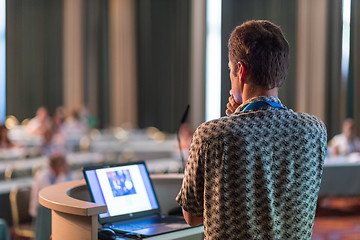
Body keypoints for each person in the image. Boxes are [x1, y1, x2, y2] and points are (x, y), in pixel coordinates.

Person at [176, 20, 327, 239]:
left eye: (230, 69)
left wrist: (237, 118)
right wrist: (241, 115)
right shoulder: (314, 131)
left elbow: (192, 216)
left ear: (240, 70)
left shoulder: (212, 135)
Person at [29, 152, 74, 217]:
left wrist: (67, 174)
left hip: (51, 209)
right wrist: (62, 175)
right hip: (41, 212)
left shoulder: (59, 173)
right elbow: (52, 196)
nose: (65, 166)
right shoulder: (43, 176)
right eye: (63, 163)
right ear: (55, 166)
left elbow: (71, 185)